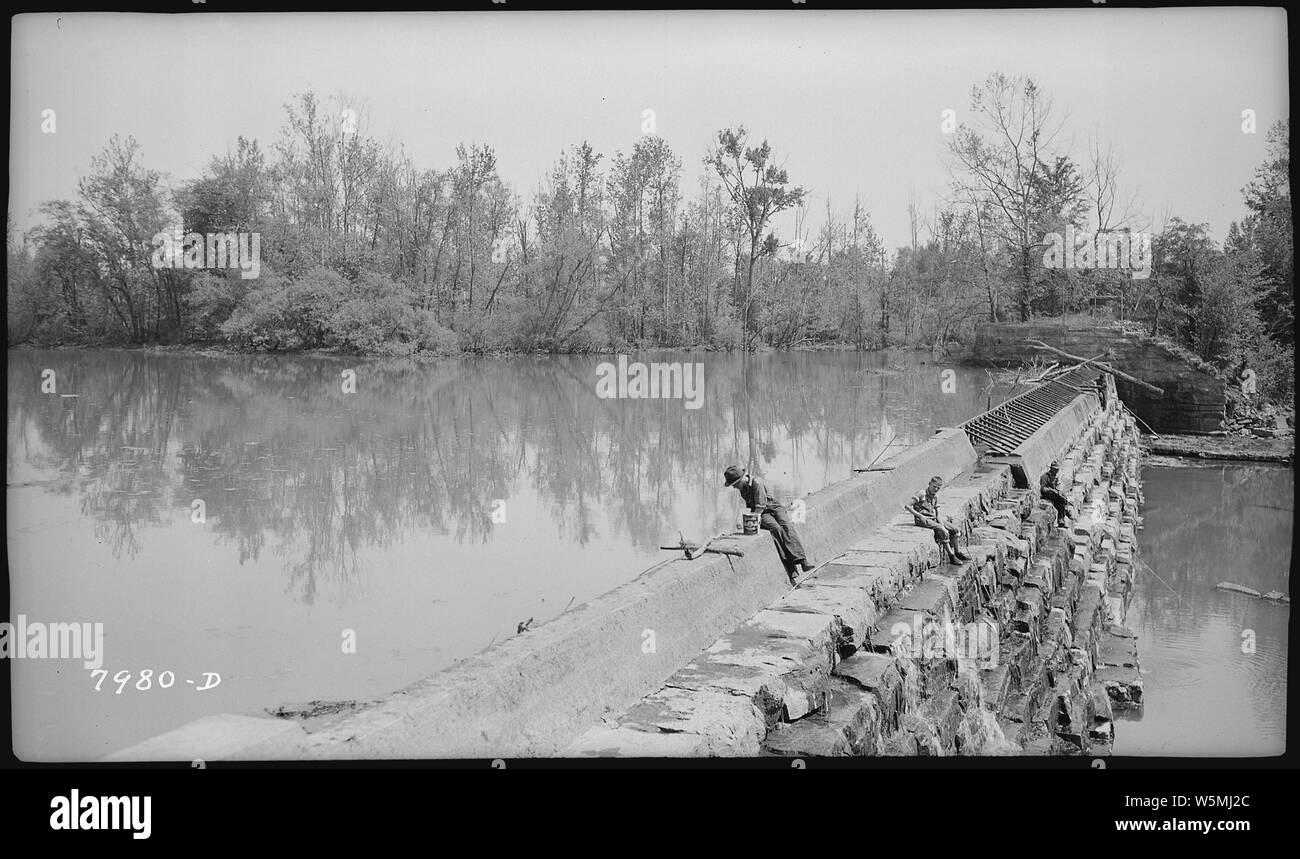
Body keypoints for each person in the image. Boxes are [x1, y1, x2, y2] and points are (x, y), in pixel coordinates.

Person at [723, 464, 812, 582]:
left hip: (773, 508)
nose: (735, 488)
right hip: (762, 513)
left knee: (787, 526)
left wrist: (752, 520)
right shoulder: (743, 489)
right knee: (776, 529)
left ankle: (802, 560)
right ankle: (791, 568)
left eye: (735, 485)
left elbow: (759, 506)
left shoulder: (757, 483)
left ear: (741, 480)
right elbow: (754, 508)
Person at [904, 475, 971, 565]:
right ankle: (951, 556)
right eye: (934, 487)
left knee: (955, 530)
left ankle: (958, 552)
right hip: (923, 520)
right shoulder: (921, 493)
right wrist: (920, 516)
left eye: (938, 488)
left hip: (933, 518)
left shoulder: (935, 497)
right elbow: (907, 506)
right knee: (942, 530)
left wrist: (942, 524)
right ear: (929, 484)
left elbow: (938, 513)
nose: (935, 489)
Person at [1039, 460, 1072, 527]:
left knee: (1062, 499)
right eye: (1055, 469)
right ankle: (1063, 516)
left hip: (1054, 494)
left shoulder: (1055, 477)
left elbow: (1056, 487)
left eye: (1057, 470)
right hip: (1046, 494)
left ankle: (1061, 520)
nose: (1057, 471)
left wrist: (1059, 492)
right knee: (1061, 500)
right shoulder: (1045, 476)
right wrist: (1052, 490)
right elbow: (1043, 488)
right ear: (1051, 469)